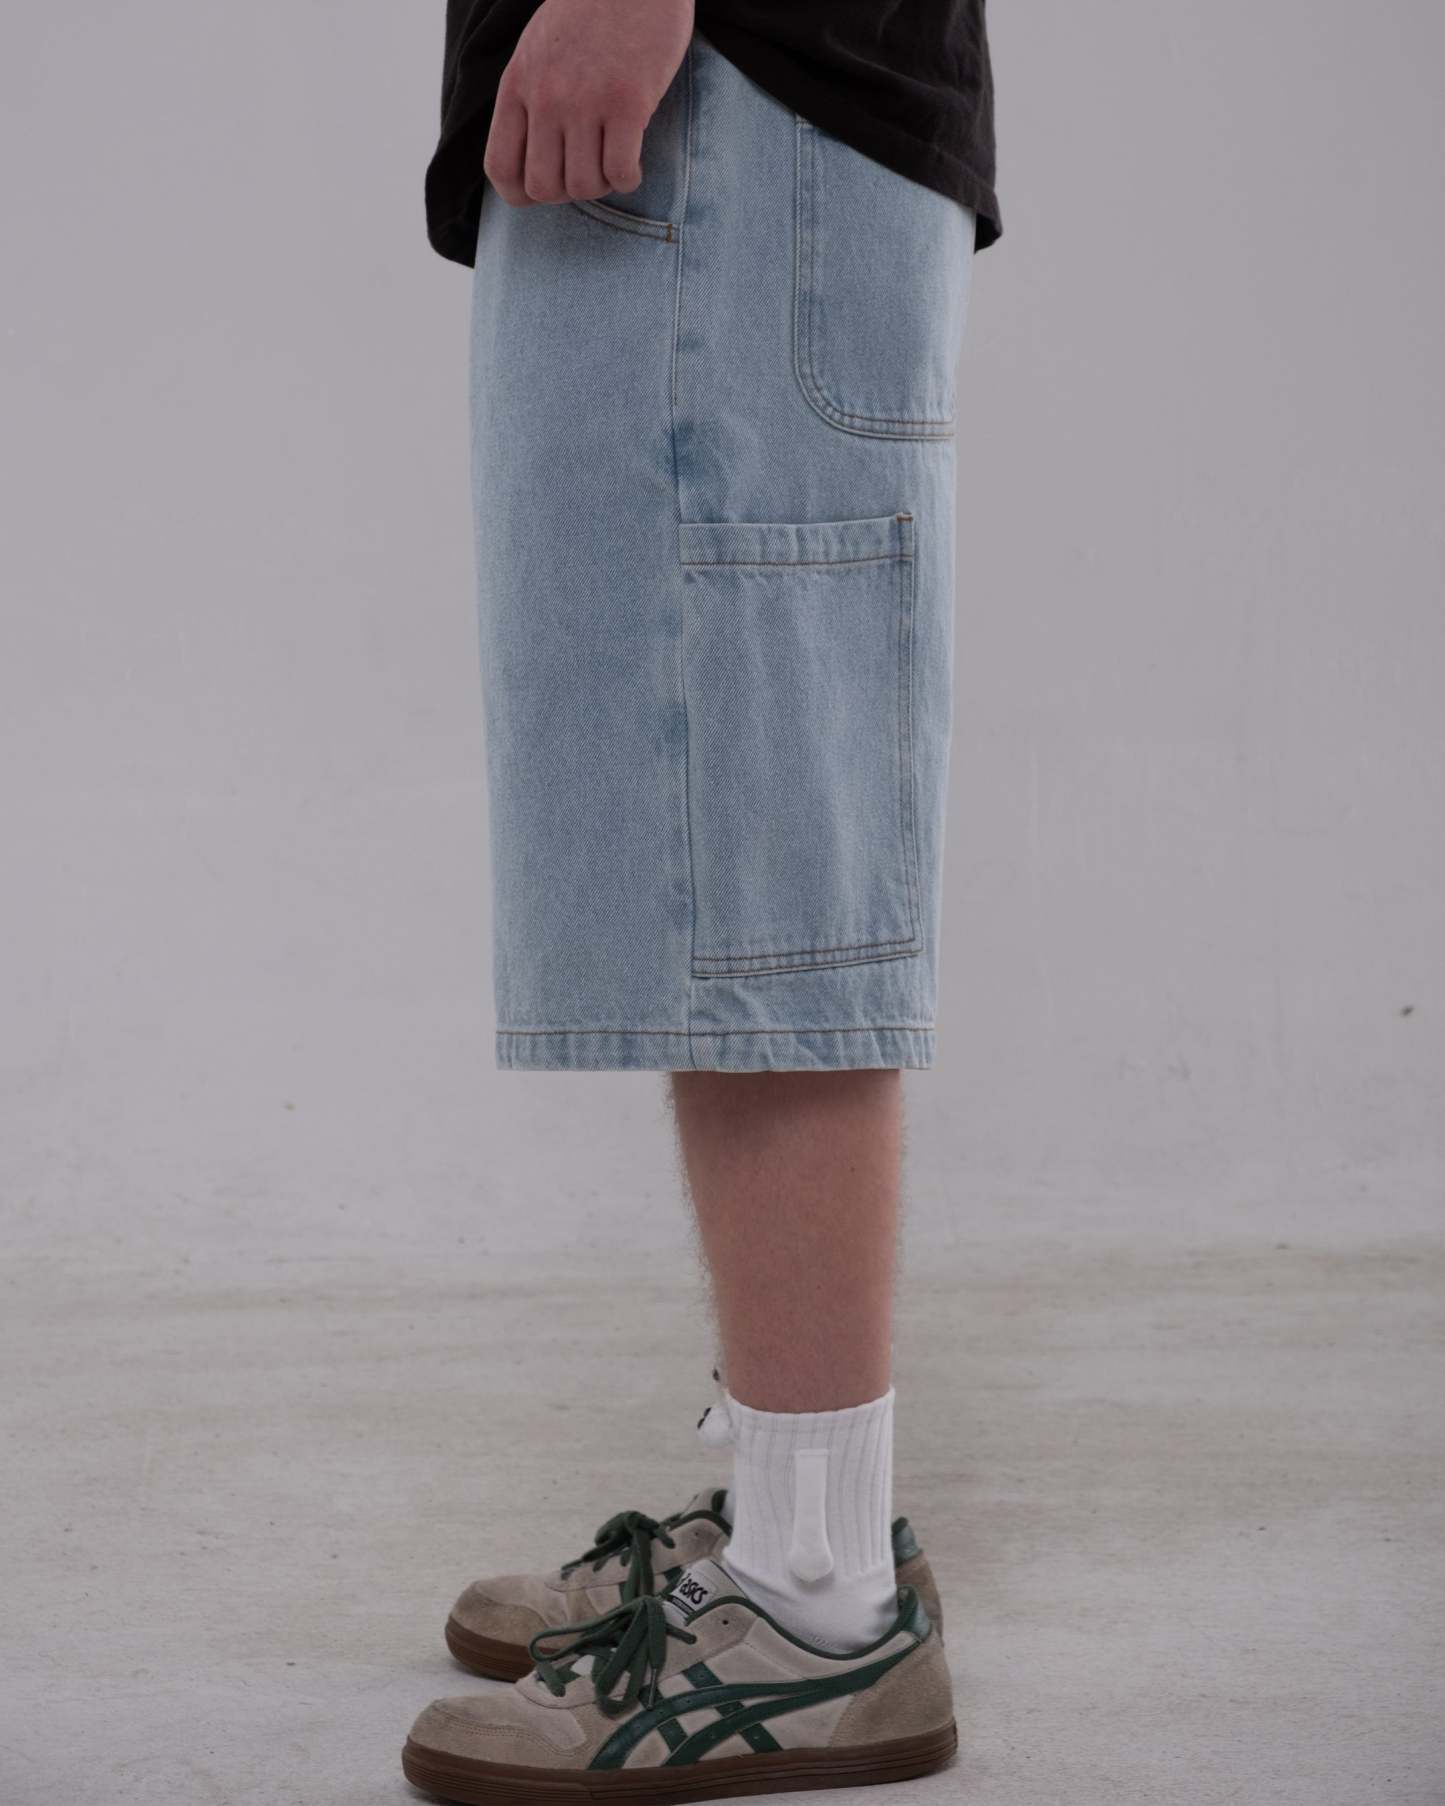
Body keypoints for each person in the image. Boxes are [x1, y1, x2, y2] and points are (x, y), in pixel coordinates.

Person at [404, 1, 1000, 1797]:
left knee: (764, 878)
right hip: (716, 122)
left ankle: (815, 1605)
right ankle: (790, 1515)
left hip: (738, 90)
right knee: (706, 865)